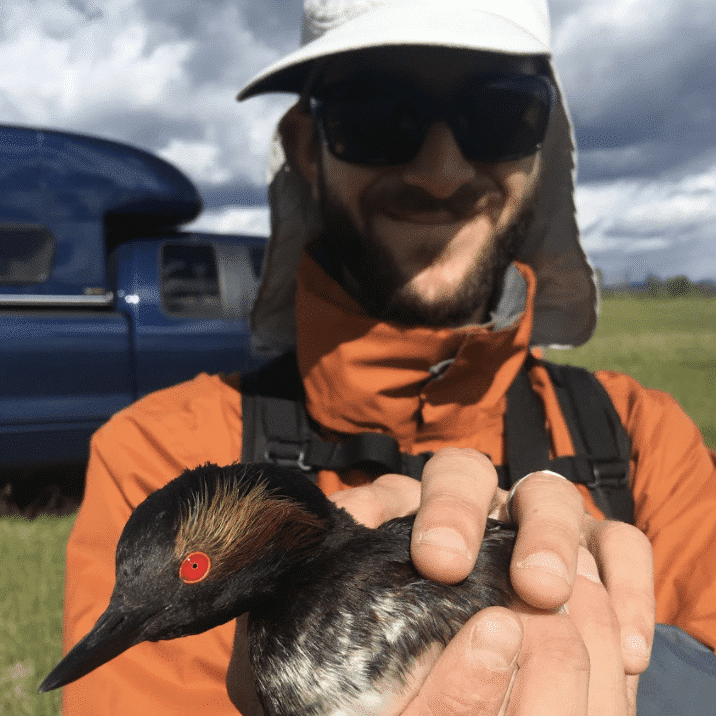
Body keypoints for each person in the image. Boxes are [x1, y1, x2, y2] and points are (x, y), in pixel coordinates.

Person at [61, 1, 716, 715]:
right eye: (375, 114)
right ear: (306, 148)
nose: (440, 170)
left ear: (543, 147)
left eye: (499, 115)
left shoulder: (639, 441)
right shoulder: (161, 451)